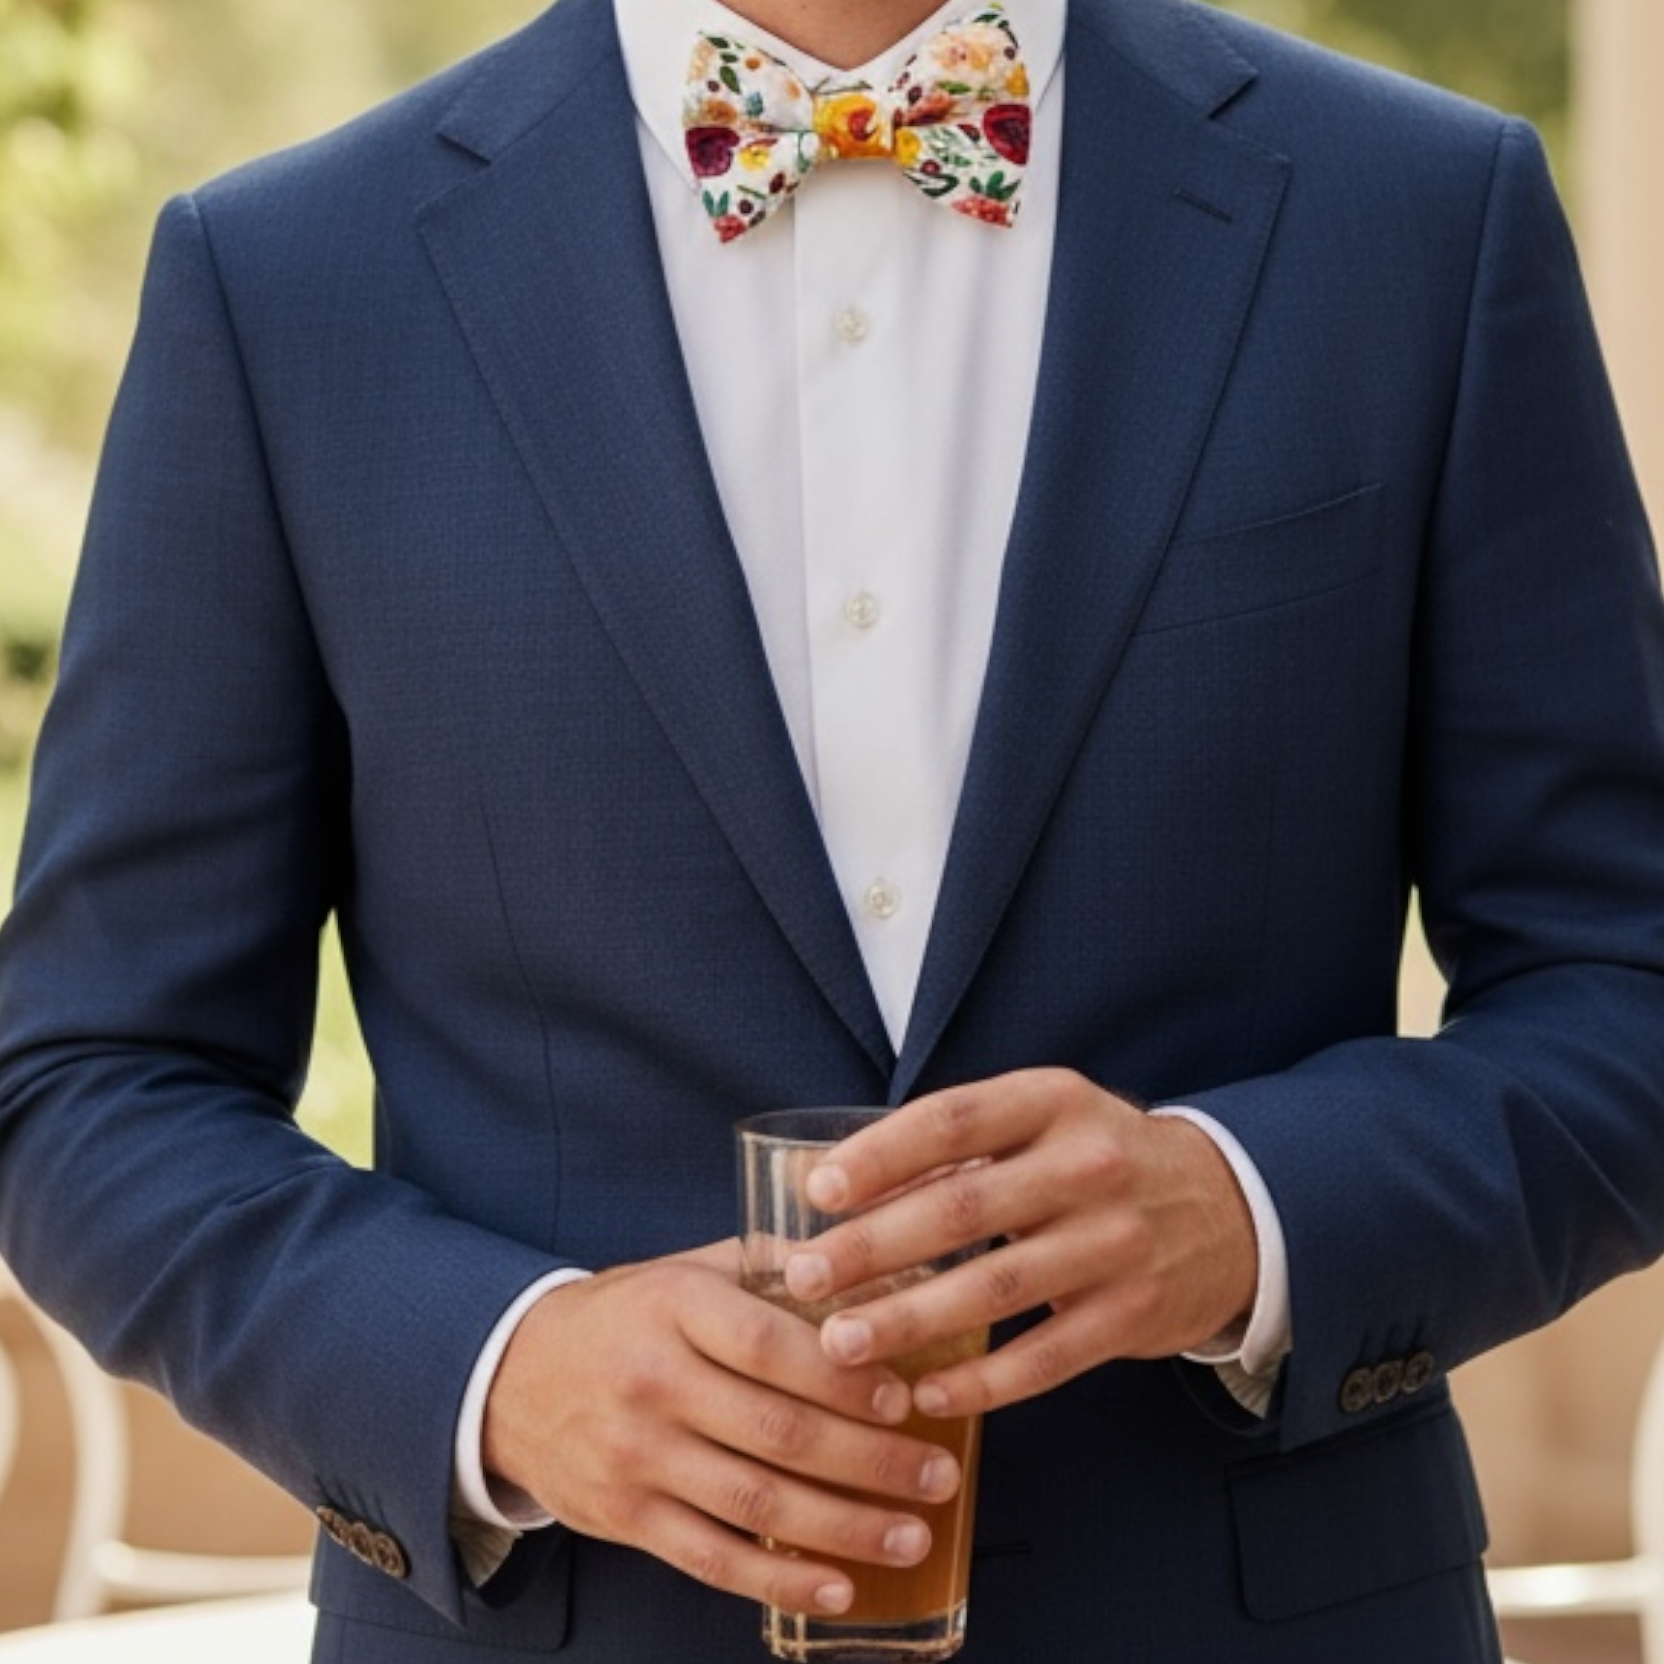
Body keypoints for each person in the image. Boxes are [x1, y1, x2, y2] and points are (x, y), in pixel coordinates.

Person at [3, 0, 1663, 1656]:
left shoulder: (1421, 217)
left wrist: (1248, 1210)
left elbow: (1627, 987)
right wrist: (498, 1369)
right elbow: (81, 1079)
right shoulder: (284, 281)